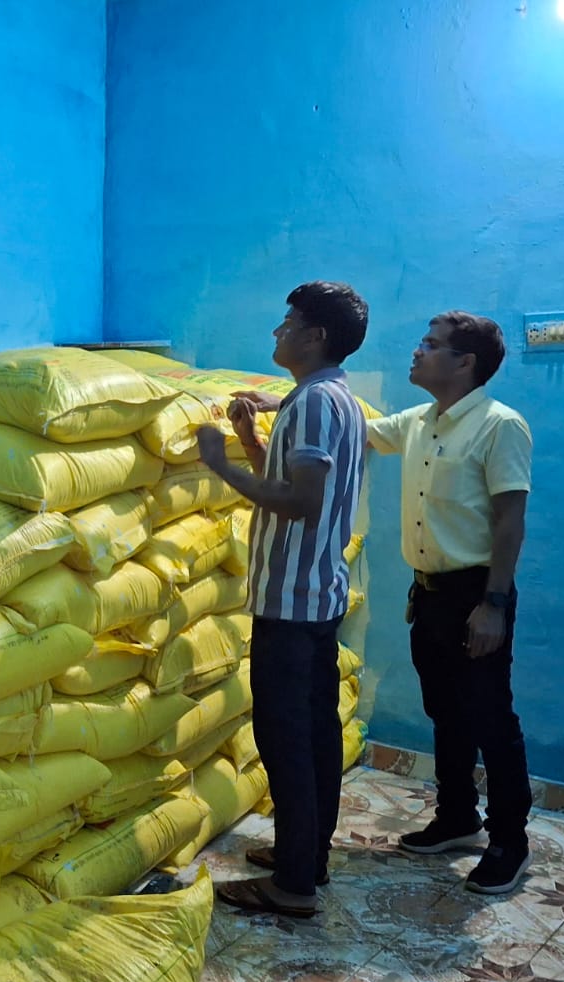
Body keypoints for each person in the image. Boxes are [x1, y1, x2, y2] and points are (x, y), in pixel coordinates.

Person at [194, 281, 370, 918]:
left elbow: (301, 502)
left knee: (287, 738)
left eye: (288, 322)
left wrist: (219, 465)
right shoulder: (333, 397)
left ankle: (294, 885)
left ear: (315, 336)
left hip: (292, 602)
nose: (277, 332)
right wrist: (249, 442)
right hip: (315, 595)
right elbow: (294, 479)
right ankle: (307, 856)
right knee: (315, 732)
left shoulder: (315, 402)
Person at [367, 312, 534, 895]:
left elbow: (510, 520)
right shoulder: (419, 421)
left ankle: (510, 841)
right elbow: (359, 429)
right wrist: (277, 403)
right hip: (430, 594)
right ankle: (458, 817)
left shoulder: (499, 425)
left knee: (492, 717)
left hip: (476, 594)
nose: (417, 351)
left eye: (431, 344)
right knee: (446, 712)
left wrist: (494, 604)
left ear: (465, 362)